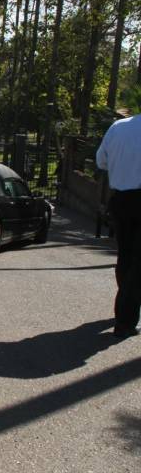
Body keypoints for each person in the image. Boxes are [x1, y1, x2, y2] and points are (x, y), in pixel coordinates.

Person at [96, 114, 141, 339]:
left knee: (125, 256)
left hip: (121, 200)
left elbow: (101, 161)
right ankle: (125, 320)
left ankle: (125, 309)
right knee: (138, 264)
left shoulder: (118, 127)